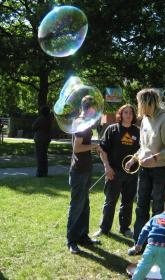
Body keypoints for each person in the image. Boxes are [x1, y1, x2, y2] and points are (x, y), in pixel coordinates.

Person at [126, 88, 165, 255]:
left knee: (157, 208)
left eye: (139, 102)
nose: (138, 106)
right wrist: (134, 159)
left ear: (148, 102)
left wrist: (155, 158)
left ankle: (156, 243)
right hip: (144, 170)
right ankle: (139, 243)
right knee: (141, 206)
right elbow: (143, 147)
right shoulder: (144, 121)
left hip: (160, 171)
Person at [93, 104, 140, 238]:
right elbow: (102, 150)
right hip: (114, 172)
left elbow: (141, 150)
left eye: (131, 113)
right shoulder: (112, 129)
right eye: (125, 112)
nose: (128, 115)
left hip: (131, 173)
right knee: (110, 201)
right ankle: (104, 228)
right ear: (121, 114)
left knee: (128, 202)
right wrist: (107, 167)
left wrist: (134, 160)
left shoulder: (137, 131)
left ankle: (125, 228)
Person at [66, 95, 102, 254]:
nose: (95, 114)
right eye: (94, 110)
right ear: (88, 108)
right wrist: (94, 146)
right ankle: (72, 241)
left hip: (85, 169)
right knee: (77, 206)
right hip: (79, 171)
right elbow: (77, 148)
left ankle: (83, 236)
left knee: (85, 205)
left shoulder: (85, 123)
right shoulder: (81, 123)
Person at [32, 106, 52, 177]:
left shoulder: (40, 119)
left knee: (40, 156)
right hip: (46, 139)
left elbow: (33, 127)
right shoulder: (49, 119)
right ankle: (45, 172)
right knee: (44, 156)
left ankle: (40, 172)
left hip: (40, 139)